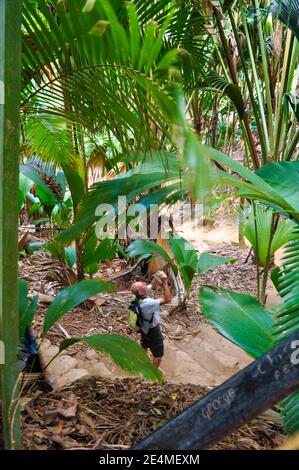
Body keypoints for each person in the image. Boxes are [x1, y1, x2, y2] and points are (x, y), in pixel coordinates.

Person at [130, 272, 172, 368]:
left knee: (144, 346)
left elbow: (152, 285)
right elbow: (167, 299)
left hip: (143, 327)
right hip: (153, 330)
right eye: (143, 285)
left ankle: (142, 366)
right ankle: (153, 375)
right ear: (141, 292)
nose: (145, 284)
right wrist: (165, 282)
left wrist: (158, 274)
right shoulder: (148, 303)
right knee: (158, 354)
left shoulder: (135, 298)